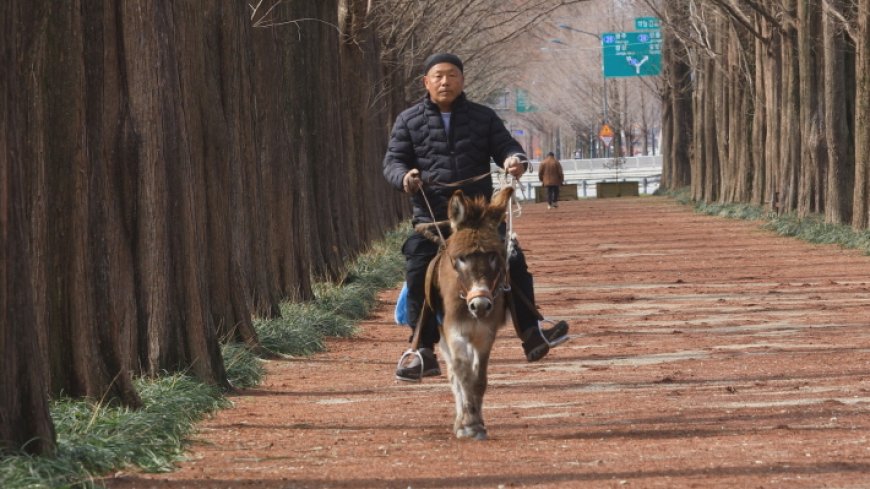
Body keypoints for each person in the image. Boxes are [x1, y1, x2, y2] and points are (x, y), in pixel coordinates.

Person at [383, 53, 570, 382]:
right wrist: (405, 177)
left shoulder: (484, 117)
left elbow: (507, 146)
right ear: (426, 82)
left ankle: (532, 331)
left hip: (479, 220)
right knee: (416, 266)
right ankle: (421, 348)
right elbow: (393, 161)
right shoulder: (407, 121)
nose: (445, 81)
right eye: (438, 76)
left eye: (452, 75)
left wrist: (514, 159)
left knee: (512, 260)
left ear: (462, 80)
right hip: (432, 220)